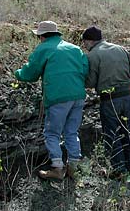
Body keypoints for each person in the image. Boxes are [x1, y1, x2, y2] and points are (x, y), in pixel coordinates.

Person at [14, 21, 89, 180]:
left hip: (58, 96)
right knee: (71, 131)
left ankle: (57, 168)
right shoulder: (75, 48)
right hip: (78, 96)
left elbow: (30, 73)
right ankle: (74, 167)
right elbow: (85, 70)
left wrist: (18, 74)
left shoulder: (44, 48)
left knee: (52, 133)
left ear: (42, 36)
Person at [82, 26, 130, 179]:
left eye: (85, 42)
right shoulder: (121, 49)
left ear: (90, 40)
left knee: (111, 133)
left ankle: (119, 170)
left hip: (110, 99)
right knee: (127, 130)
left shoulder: (93, 55)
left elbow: (91, 82)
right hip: (127, 96)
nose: (84, 45)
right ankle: (129, 164)